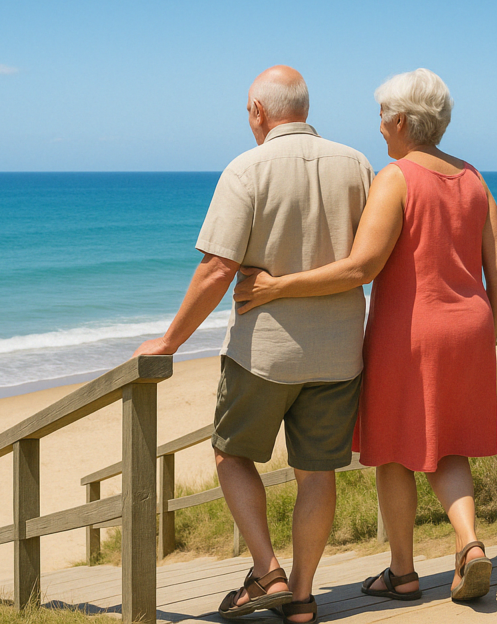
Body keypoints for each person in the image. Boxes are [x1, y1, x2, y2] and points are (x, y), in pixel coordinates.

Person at [234, 68, 497, 603]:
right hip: (470, 327)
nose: (380, 127)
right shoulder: (474, 178)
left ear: (402, 120)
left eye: (383, 117)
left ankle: (403, 573)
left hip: (411, 333)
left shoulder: (397, 177)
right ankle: (470, 544)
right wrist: (486, 333)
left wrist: (277, 287)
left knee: (391, 451)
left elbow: (360, 268)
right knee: (447, 442)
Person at [133, 65, 373, 623]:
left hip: (264, 354)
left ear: (259, 112)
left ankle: (268, 572)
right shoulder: (358, 165)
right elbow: (371, 261)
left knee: (231, 453)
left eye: (248, 110)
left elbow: (218, 268)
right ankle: (304, 599)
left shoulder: (246, 168)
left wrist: (170, 340)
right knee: (318, 473)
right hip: (340, 352)